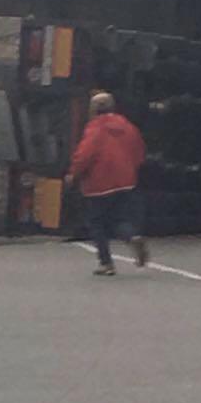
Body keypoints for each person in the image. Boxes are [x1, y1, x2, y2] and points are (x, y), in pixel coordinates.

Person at [68, 92, 148, 276]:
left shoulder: (95, 128)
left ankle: (106, 263)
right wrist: (130, 169)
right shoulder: (127, 126)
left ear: (93, 109)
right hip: (125, 181)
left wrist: (73, 173)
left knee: (97, 223)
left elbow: (85, 155)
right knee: (118, 218)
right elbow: (139, 151)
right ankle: (132, 236)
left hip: (99, 183)